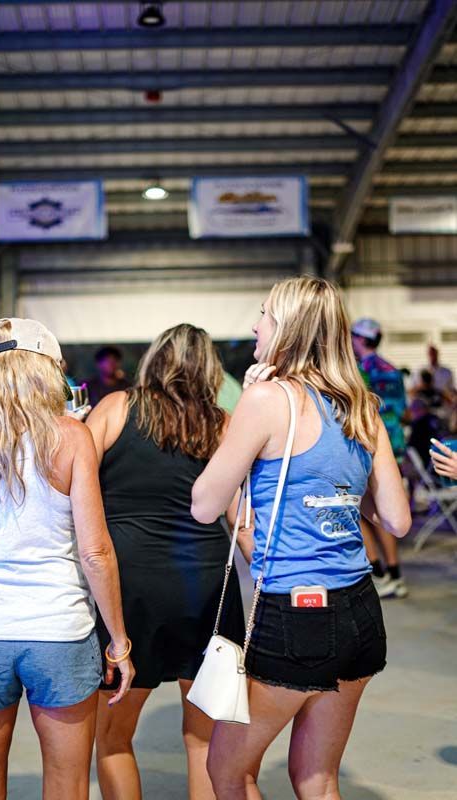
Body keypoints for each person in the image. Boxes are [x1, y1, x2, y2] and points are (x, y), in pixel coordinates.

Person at [191, 277, 411, 800]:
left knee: (227, 772)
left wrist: (243, 412)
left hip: (296, 612)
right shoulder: (362, 406)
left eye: (264, 313)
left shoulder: (266, 399)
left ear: (288, 327)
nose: (255, 325)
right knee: (317, 779)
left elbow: (204, 504)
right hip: (360, 609)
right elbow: (397, 520)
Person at [0, 317, 134, 800]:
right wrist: (119, 642)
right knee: (67, 784)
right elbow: (96, 552)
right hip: (59, 631)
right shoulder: (73, 437)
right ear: (49, 372)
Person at [86, 323, 245, 800]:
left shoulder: (116, 408)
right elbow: (241, 520)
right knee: (204, 741)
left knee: (113, 738)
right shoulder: (223, 424)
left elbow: (72, 480)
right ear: (209, 370)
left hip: (130, 590)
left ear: (153, 360)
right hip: (207, 588)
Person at [351, 317, 409, 599]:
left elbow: (358, 409)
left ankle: (379, 572)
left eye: (353, 335)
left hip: (371, 444)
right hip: (395, 445)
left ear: (362, 339)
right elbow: (404, 410)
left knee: (358, 506)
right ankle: (394, 574)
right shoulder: (391, 369)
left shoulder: (361, 370)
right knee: (387, 508)